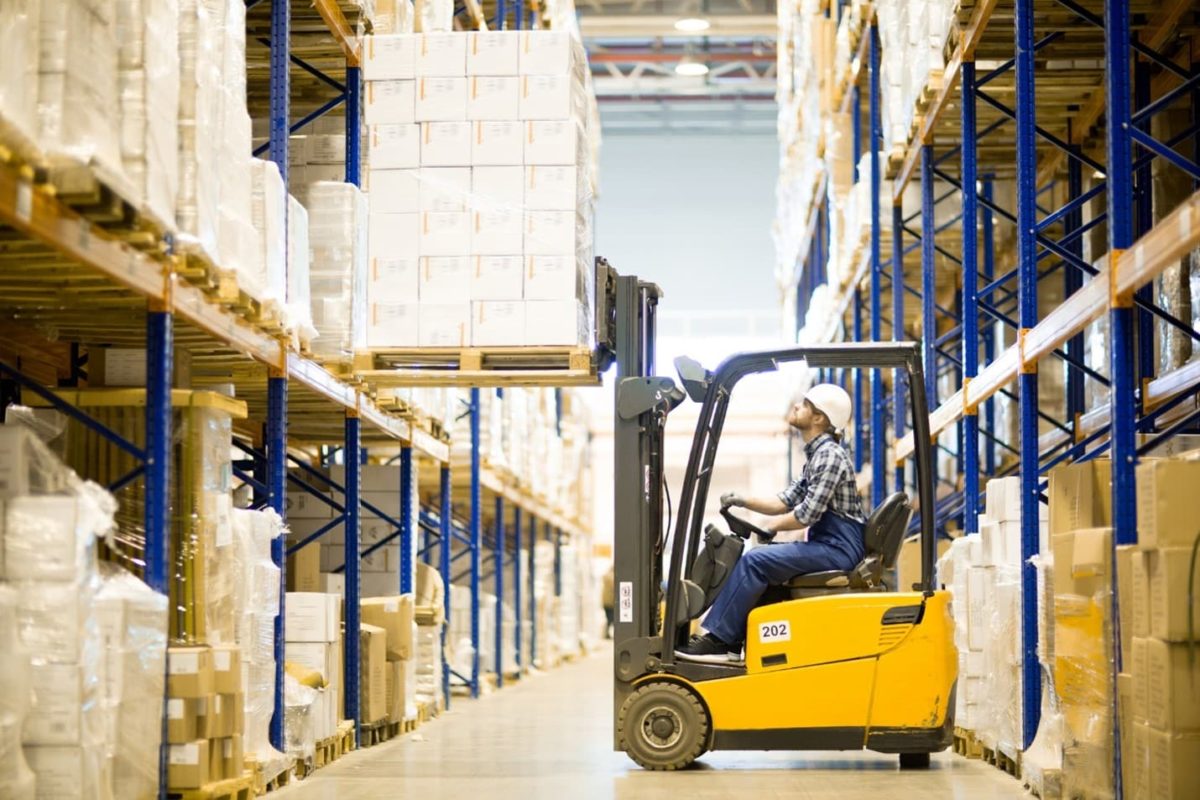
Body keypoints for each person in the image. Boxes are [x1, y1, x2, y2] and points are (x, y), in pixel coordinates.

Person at [674, 383, 867, 664]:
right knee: (762, 559)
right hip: (828, 543)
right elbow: (785, 501)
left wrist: (772, 527)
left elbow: (807, 515)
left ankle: (720, 641)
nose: (796, 407)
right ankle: (731, 639)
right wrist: (743, 500)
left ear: (819, 418)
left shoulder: (829, 456)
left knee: (756, 561)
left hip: (839, 548)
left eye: (804, 405)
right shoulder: (817, 455)